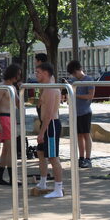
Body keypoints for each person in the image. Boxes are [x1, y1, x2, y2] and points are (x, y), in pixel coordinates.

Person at [35, 62, 63, 198]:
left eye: (38, 72)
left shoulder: (51, 89)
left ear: (45, 73)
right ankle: (43, 182)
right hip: (46, 124)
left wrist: (42, 132)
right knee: (40, 152)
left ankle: (58, 188)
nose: (36, 75)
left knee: (53, 156)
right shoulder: (46, 88)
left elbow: (49, 114)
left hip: (50, 125)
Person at [0, 64, 22, 185]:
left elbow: (18, 104)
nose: (19, 76)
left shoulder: (12, 87)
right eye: (18, 74)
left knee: (6, 150)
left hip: (11, 118)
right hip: (4, 117)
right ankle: (12, 177)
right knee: (11, 149)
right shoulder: (3, 87)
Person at [67, 60, 95, 168]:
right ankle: (81, 157)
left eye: (74, 73)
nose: (74, 76)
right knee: (79, 136)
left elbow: (90, 96)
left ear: (78, 70)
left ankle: (88, 158)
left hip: (85, 112)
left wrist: (75, 95)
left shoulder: (89, 80)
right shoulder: (73, 81)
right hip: (75, 112)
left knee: (86, 135)